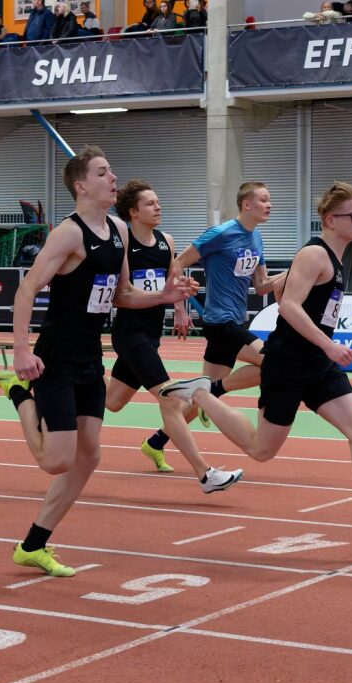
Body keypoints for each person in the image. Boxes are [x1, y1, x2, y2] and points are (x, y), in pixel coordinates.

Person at [163, 182, 352, 547]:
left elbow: (278, 292)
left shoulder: (335, 258)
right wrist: (329, 344)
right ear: (330, 220)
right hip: (289, 361)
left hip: (319, 364)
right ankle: (202, 393)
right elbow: (288, 306)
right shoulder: (314, 254)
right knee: (261, 450)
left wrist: (323, 345)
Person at [0, 146, 198, 577]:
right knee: (57, 461)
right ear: (81, 186)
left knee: (89, 457)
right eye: (103, 172)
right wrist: (23, 350)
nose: (113, 177)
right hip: (57, 356)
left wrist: (164, 296)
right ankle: (19, 394)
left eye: (112, 170)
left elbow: (122, 295)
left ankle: (33, 545)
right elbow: (26, 290)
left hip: (90, 356)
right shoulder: (68, 234)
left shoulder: (119, 230)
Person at [106, 180, 244, 492]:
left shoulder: (165, 241)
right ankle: (206, 475)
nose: (158, 207)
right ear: (133, 212)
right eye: (150, 203)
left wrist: (180, 305)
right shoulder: (123, 244)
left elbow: (174, 278)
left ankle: (67, 377)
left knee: (113, 402)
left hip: (152, 333)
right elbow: (118, 296)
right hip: (129, 332)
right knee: (170, 399)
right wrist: (162, 297)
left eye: (158, 202)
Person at [137, 182, 284, 473]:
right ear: (247, 204)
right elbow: (177, 263)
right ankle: (213, 390)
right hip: (220, 322)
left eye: (270, 200)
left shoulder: (257, 238)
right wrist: (179, 306)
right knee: (274, 362)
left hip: (235, 321)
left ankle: (155, 442)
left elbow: (261, 285)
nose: (270, 205)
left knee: (200, 399)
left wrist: (296, 271)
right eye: (264, 200)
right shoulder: (221, 233)